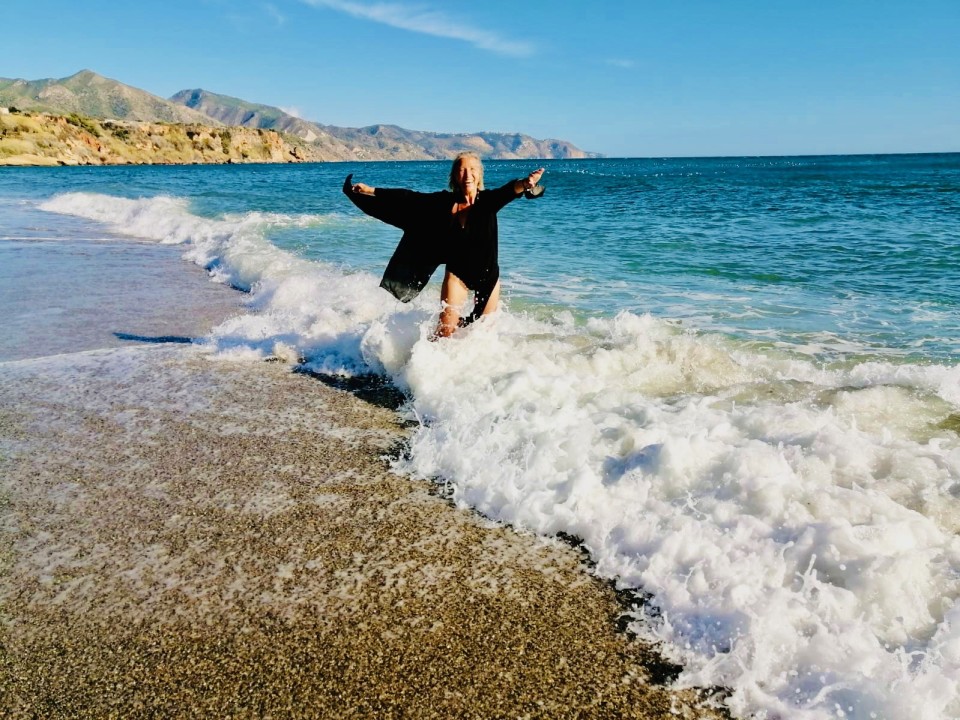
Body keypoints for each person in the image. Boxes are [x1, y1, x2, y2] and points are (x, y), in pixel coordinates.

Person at [343, 152, 544, 337]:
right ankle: (422, 366)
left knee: (481, 334)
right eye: (462, 169)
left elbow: (510, 190)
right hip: (458, 275)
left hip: (489, 276)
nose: (468, 174)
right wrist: (371, 190)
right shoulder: (442, 202)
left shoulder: (489, 201)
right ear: (455, 175)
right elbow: (409, 198)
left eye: (473, 169)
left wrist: (526, 183)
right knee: (445, 331)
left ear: (479, 174)